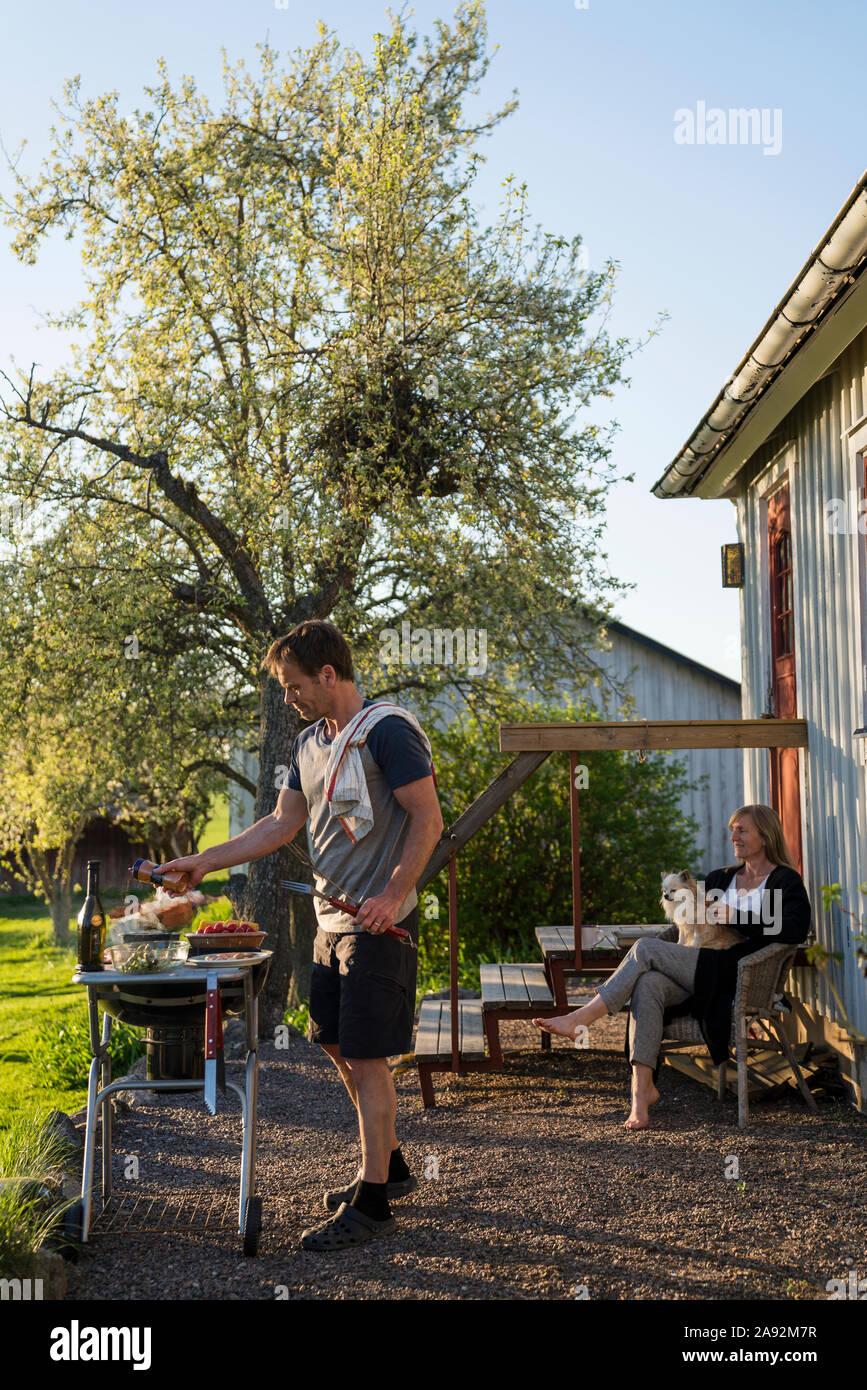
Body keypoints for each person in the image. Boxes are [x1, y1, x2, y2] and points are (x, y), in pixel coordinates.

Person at [158, 619, 443, 1247]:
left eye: (292, 686)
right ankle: (390, 1167)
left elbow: (428, 818)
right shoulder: (310, 742)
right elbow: (280, 824)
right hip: (329, 921)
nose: (287, 698)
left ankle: (372, 1204)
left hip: (379, 924)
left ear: (329, 675)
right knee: (338, 1045)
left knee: (368, 1058)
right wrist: (204, 861)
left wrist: (393, 895)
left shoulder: (389, 731)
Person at [532, 804, 811, 1130]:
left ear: (765, 836)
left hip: (738, 972)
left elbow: (794, 928)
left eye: (742, 830)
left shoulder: (783, 880)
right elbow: (687, 918)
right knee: (648, 981)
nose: (733, 836)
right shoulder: (723, 877)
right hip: (701, 966)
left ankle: (581, 1017)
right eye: (732, 830)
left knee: (646, 950)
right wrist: (669, 932)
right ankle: (642, 1092)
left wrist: (738, 918)